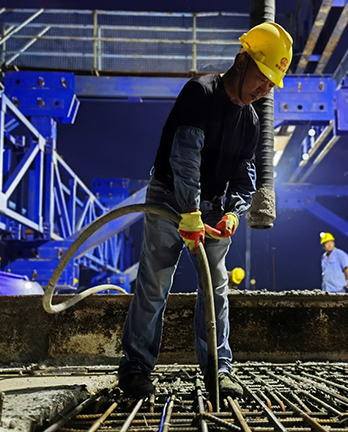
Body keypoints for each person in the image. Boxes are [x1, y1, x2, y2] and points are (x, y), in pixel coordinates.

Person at [118, 22, 293, 397]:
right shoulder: (200, 92)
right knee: (154, 285)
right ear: (242, 61)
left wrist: (233, 212)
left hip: (212, 208)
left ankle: (219, 370)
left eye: (271, 84)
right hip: (170, 197)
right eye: (263, 78)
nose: (265, 89)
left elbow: (245, 176)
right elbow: (185, 159)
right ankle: (135, 369)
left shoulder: (250, 120)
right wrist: (189, 212)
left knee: (216, 288)